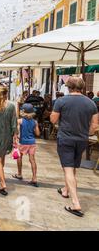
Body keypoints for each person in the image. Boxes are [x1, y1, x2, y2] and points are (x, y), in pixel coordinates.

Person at [50, 77, 98, 217]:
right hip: (82, 140)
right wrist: (85, 132)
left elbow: (53, 119)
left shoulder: (61, 101)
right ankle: (65, 190)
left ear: (69, 87)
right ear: (82, 87)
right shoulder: (91, 103)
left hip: (66, 138)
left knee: (68, 169)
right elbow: (94, 126)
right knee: (72, 167)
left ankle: (76, 203)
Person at [13, 103, 40, 187]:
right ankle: (34, 178)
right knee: (32, 160)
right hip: (32, 143)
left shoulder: (20, 121)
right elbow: (38, 133)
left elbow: (16, 132)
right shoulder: (35, 122)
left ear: (23, 112)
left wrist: (16, 137)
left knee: (19, 157)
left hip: (22, 142)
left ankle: (19, 174)